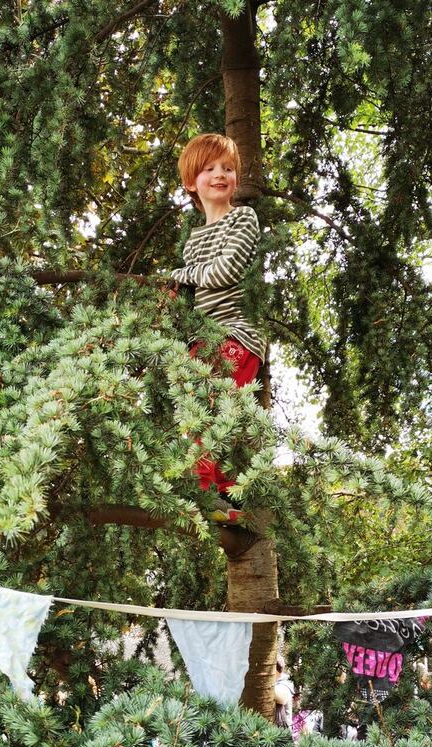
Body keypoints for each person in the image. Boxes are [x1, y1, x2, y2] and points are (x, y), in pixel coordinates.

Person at [171, 133, 265, 524]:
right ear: (192, 182)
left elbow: (226, 272)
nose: (220, 175)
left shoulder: (243, 218)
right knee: (196, 409)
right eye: (209, 169)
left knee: (212, 409)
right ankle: (225, 495)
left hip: (236, 334)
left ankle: (208, 489)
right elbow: (192, 297)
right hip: (204, 336)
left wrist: (183, 275)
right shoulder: (193, 241)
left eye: (227, 168)